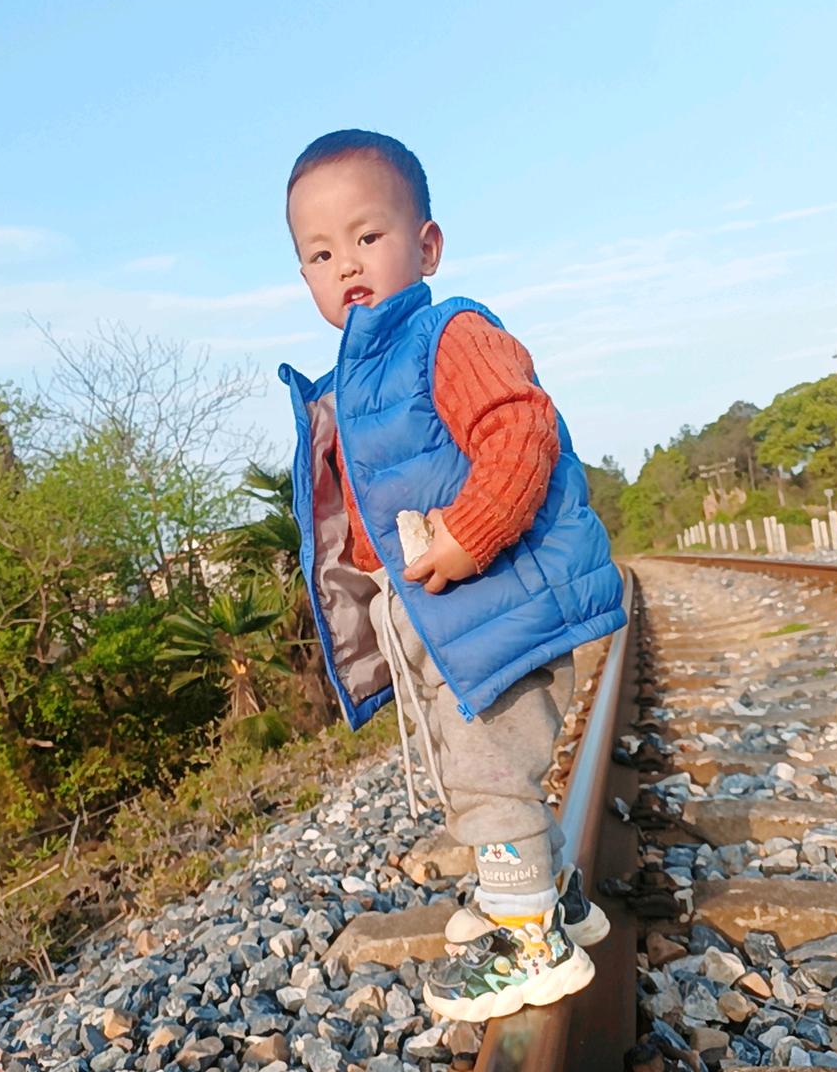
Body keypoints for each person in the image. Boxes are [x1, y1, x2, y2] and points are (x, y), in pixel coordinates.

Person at [278, 129, 626, 1023]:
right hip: (454, 622)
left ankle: (528, 940)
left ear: (426, 246)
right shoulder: (357, 380)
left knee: (486, 776)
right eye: (319, 253)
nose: (345, 264)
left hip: (499, 612)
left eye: (366, 236)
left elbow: (520, 431)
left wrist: (471, 532)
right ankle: (558, 900)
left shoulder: (447, 334)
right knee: (479, 770)